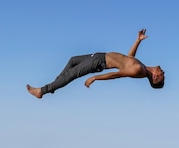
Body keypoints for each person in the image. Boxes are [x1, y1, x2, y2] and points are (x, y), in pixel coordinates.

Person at [26, 29, 164, 99]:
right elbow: (129, 57)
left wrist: (95, 78)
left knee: (72, 74)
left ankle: (42, 91)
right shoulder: (141, 67)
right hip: (100, 56)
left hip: (99, 62)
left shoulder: (139, 70)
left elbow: (116, 75)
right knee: (72, 60)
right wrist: (138, 40)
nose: (163, 72)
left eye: (162, 75)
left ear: (155, 78)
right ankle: (55, 85)